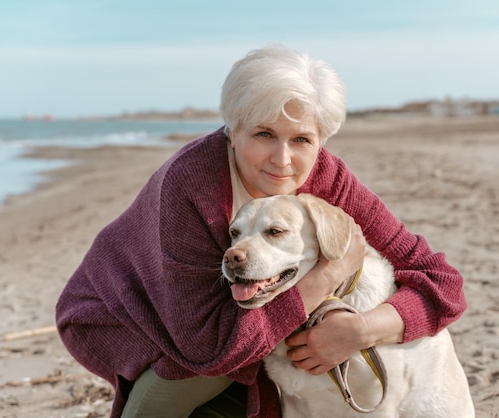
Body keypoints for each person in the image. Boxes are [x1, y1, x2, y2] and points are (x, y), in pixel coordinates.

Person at [56, 45, 467, 418]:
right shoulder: (191, 185)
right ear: (232, 132)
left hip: (229, 319)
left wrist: (358, 331)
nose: (283, 159)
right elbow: (208, 349)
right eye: (264, 134)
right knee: (201, 377)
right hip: (124, 312)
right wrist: (325, 278)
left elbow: (443, 283)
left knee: (261, 366)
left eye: (302, 139)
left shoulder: (330, 180)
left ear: (320, 141)